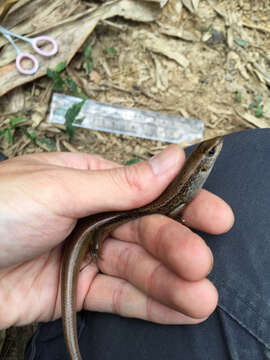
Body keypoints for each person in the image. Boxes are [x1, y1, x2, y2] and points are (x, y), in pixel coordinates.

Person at [0, 129, 269, 359]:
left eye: (209, 153)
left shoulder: (187, 188)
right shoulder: (184, 192)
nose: (215, 150)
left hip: (103, 227)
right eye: (209, 153)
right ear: (200, 167)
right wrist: (94, 248)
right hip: (96, 228)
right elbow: (175, 207)